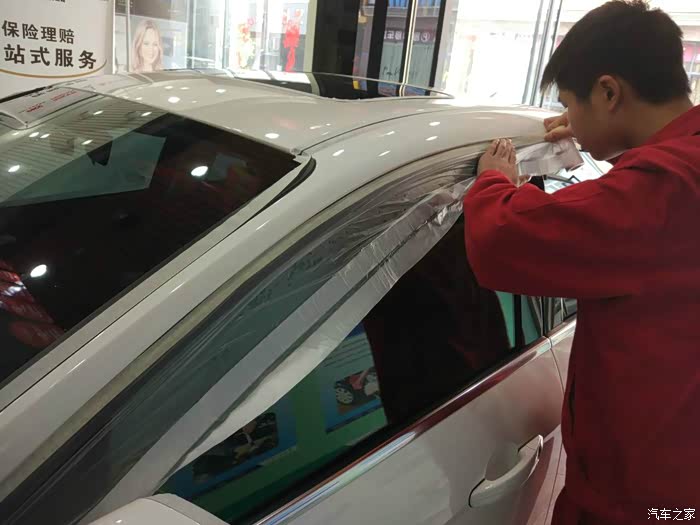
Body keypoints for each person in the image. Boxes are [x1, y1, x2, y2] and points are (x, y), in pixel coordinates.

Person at [464, 1, 700, 524]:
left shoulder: (663, 190)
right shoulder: (683, 163)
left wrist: (494, 181)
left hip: (642, 500)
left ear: (609, 92)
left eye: (571, 104)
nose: (568, 119)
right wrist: (598, 137)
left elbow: (499, 241)